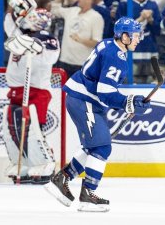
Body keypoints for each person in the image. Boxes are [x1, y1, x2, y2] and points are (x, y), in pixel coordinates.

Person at [44, 17, 151, 212]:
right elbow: (105, 92)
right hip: (84, 101)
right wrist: (129, 103)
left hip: (82, 98)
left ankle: (62, 179)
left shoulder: (109, 44)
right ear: (125, 36)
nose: (139, 39)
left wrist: (129, 102)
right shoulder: (116, 56)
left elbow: (102, 88)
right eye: (136, 36)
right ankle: (87, 195)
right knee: (102, 148)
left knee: (92, 147)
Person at [2, 6, 60, 184]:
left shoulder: (49, 39)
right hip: (16, 90)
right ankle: (23, 162)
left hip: (36, 91)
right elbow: (8, 24)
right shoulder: (19, 34)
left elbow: (50, 58)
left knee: (34, 130)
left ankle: (44, 162)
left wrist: (36, 47)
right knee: (12, 129)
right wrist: (12, 9)